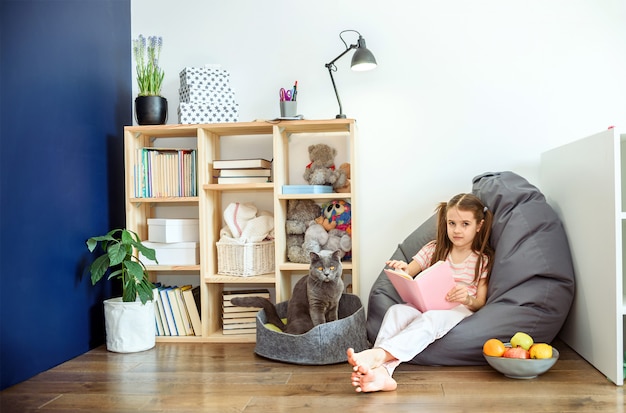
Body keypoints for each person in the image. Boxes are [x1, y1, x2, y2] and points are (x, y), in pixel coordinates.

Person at [347, 193, 494, 393]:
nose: (457, 230)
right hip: (427, 304)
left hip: (458, 310)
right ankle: (382, 374)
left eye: (465, 224)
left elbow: (480, 302)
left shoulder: (482, 260)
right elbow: (409, 271)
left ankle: (378, 356)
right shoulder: (434, 249)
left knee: (431, 319)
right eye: (452, 223)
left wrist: (467, 298)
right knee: (396, 311)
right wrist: (401, 269)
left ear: (479, 225)